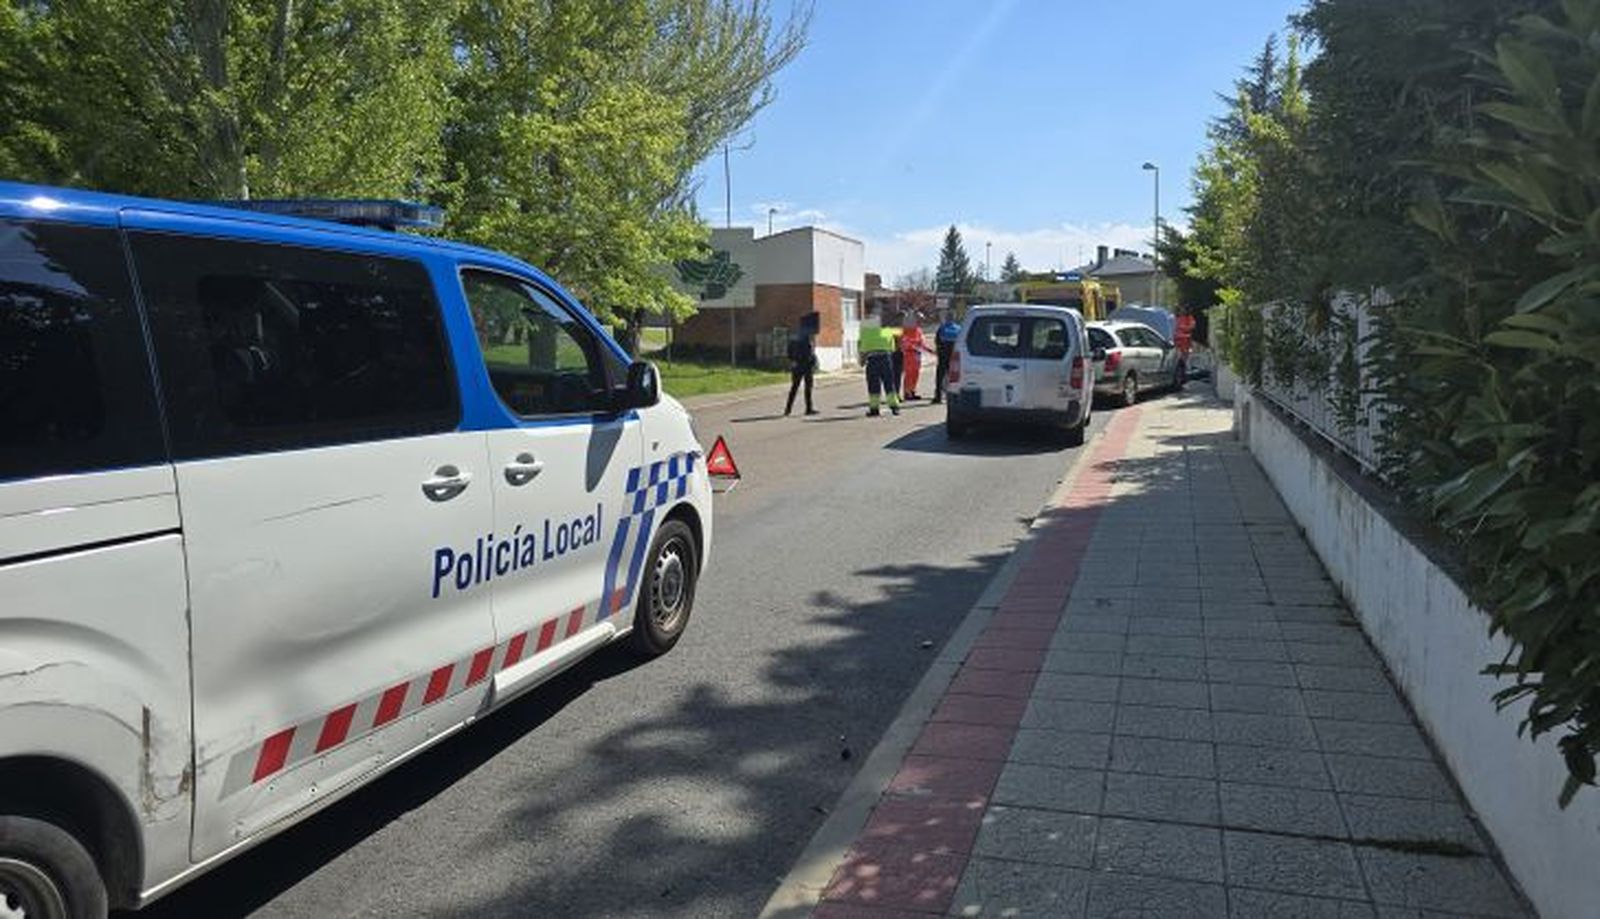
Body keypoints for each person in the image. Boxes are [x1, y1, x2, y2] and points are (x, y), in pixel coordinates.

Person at [858, 320, 901, 417]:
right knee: (889, 383)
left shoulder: (865, 329)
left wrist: (862, 360)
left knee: (873, 384)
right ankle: (894, 407)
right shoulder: (886, 328)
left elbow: (862, 345)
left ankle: (874, 408)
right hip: (885, 358)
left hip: (872, 359)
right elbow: (892, 345)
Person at [784, 326, 819, 416]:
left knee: (794, 388)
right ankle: (808, 408)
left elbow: (789, 352)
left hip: (797, 366)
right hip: (806, 366)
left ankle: (788, 409)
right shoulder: (807, 340)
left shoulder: (793, 340)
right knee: (808, 389)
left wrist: (792, 361)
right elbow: (809, 354)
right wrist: (813, 362)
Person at [899, 311, 932, 400]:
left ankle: (912, 391)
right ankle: (907, 392)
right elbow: (904, 343)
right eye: (919, 320)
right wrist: (914, 345)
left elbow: (922, 344)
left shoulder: (918, 331)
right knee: (909, 374)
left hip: (917, 355)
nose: (921, 322)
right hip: (909, 354)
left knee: (915, 374)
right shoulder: (906, 330)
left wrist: (929, 351)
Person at [932, 310, 961, 404]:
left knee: (940, 376)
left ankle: (938, 397)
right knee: (954, 377)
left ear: (946, 318)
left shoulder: (942, 328)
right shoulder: (959, 328)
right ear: (954, 318)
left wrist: (938, 350)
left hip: (943, 355)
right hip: (954, 355)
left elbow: (937, 341)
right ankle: (955, 396)